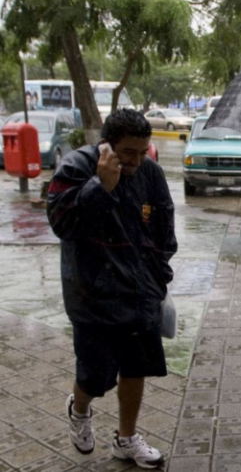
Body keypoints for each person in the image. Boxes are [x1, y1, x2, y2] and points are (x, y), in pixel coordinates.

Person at [46, 109, 177, 469]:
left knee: (136, 368)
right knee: (96, 375)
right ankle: (80, 408)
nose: (135, 161)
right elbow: (60, 223)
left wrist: (158, 278)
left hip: (140, 292)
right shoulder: (77, 167)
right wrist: (99, 186)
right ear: (107, 145)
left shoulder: (150, 172)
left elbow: (164, 228)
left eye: (142, 151)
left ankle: (126, 438)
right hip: (92, 296)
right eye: (127, 153)